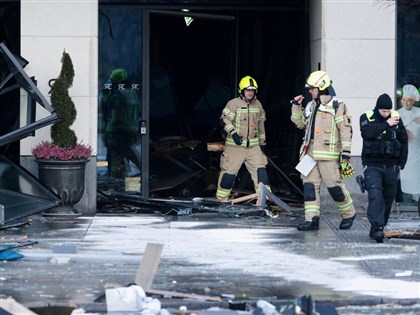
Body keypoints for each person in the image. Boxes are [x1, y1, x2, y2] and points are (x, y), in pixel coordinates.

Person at [291, 70, 356, 231]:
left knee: (335, 188)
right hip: (309, 154)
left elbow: (345, 131)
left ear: (321, 87)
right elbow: (300, 123)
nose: (310, 91)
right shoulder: (311, 106)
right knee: (309, 188)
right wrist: (295, 106)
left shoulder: (337, 106)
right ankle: (311, 219)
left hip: (328, 156)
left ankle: (349, 214)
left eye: (312, 88)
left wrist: (346, 155)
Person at [360, 93, 408, 243]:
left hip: (392, 166)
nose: (386, 114)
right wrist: (387, 123)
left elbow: (403, 140)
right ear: (378, 109)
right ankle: (378, 228)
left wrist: (402, 162)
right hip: (373, 164)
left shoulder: (397, 118)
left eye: (388, 111)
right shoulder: (366, 117)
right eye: (383, 111)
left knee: (388, 198)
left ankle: (377, 227)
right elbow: (368, 133)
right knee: (375, 195)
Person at [216, 75, 271, 202]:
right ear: (242, 91)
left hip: (253, 147)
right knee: (228, 176)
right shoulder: (233, 103)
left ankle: (264, 201)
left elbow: (261, 124)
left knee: (261, 174)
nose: (250, 93)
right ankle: (222, 201)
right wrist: (233, 133)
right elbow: (224, 120)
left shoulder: (258, 105)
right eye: (247, 90)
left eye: (252, 90)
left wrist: (262, 143)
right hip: (235, 148)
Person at [103, 68, 141, 178]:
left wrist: (107, 95)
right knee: (129, 153)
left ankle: (114, 181)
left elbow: (113, 110)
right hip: (131, 130)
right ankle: (144, 170)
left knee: (116, 156)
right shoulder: (133, 93)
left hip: (117, 131)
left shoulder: (118, 94)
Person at [398, 85, 420, 203]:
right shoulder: (397, 114)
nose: (407, 103)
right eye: (404, 100)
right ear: (401, 100)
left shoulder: (419, 112)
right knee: (407, 177)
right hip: (405, 152)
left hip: (418, 151)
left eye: (409, 100)